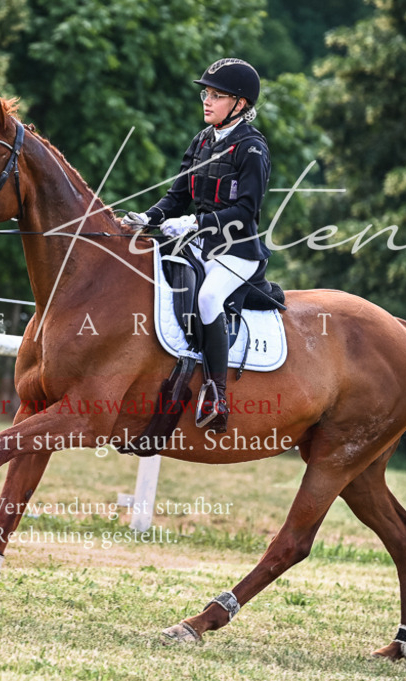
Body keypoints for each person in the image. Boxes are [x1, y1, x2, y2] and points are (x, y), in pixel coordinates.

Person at [125, 58, 272, 433]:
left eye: (217, 95)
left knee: (207, 299)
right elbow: (177, 197)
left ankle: (217, 395)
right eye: (206, 93)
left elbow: (246, 210)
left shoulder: (252, 148)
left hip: (237, 251)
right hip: (198, 245)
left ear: (239, 103)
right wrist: (148, 217)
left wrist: (195, 222)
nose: (207, 100)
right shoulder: (203, 141)